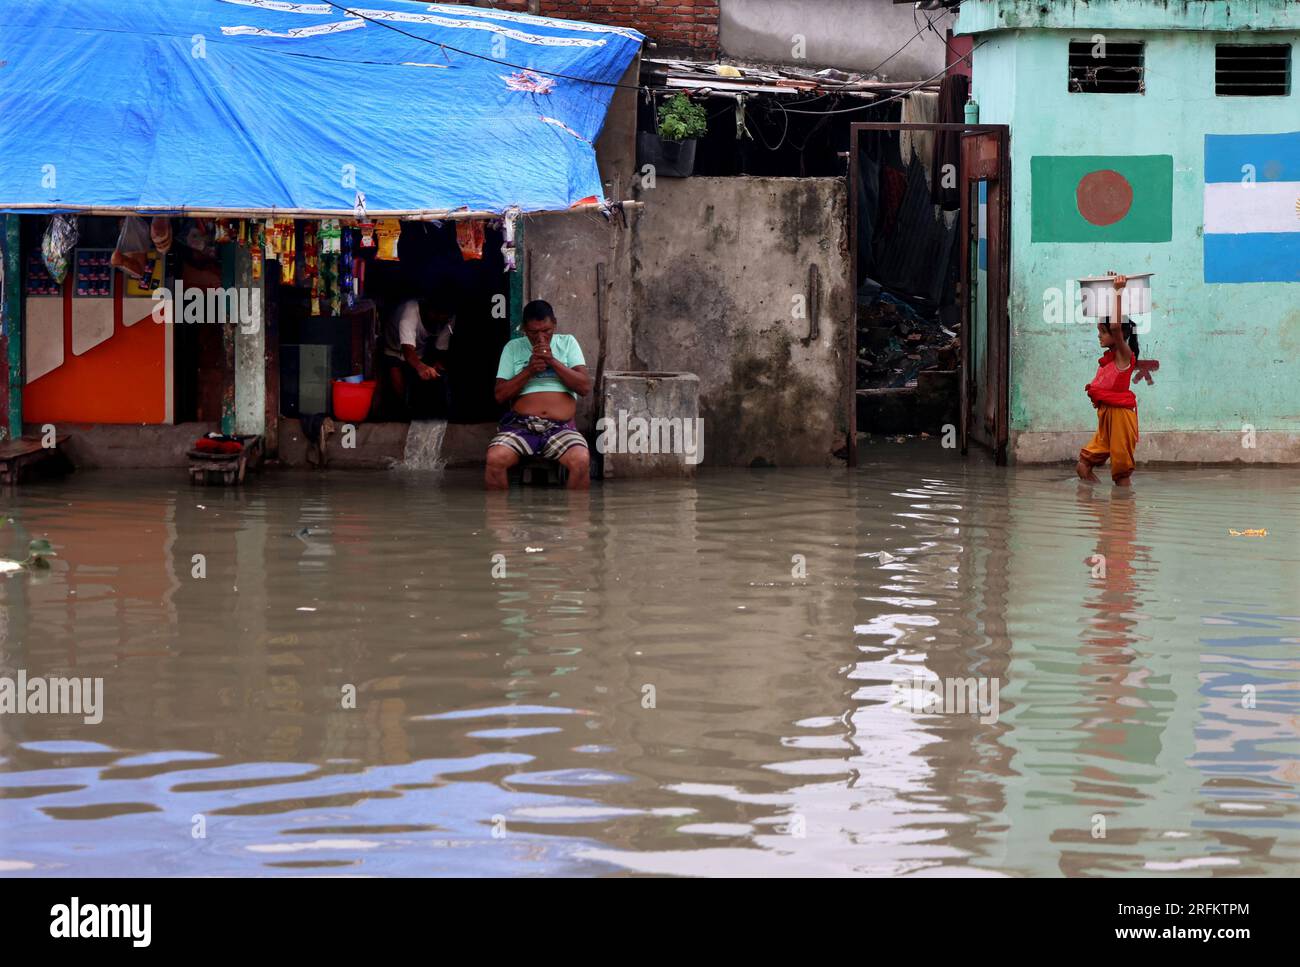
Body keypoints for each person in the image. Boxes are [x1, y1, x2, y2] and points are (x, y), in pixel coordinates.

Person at [485, 300, 592, 490]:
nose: (541, 338)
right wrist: (529, 370)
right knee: (495, 460)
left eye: (547, 331)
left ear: (555, 324)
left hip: (561, 428)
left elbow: (584, 387)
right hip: (521, 426)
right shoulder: (513, 347)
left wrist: (553, 361)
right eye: (534, 333)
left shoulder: (567, 342)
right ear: (524, 329)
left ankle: (577, 519)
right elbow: (500, 395)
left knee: (581, 461)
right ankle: (499, 518)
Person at [1076, 275, 1140, 487]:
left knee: (1121, 475)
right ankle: (1104, 512)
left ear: (1118, 334)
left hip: (1121, 417)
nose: (1099, 336)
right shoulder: (1110, 359)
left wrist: (1118, 292)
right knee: (1083, 466)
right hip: (1106, 418)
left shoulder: (1124, 354)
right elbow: (1112, 325)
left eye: (1102, 332)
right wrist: (1110, 286)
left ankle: (1123, 513)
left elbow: (1114, 326)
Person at [383, 295, 454, 418]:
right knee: (399, 388)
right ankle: (401, 415)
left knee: (417, 384)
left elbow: (441, 346)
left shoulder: (448, 319)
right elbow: (407, 350)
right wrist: (421, 367)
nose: (440, 320)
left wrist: (438, 362)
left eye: (444, 318)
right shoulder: (409, 314)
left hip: (418, 350)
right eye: (437, 316)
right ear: (430, 311)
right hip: (393, 347)